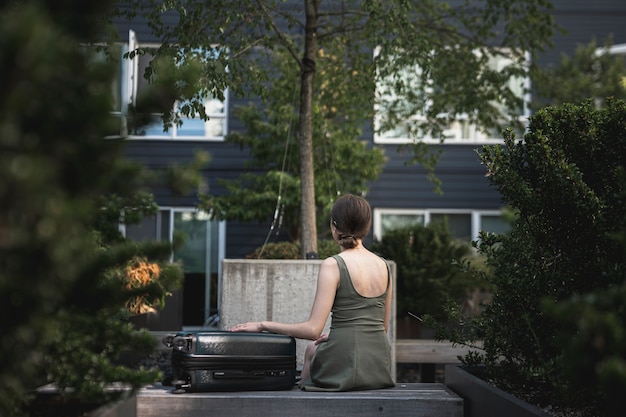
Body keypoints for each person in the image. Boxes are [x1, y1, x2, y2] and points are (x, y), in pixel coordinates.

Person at [229, 194, 395, 391]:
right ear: (366, 228)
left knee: (311, 350)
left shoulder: (333, 265)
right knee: (317, 348)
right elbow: (382, 328)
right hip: (378, 365)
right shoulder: (384, 267)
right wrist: (339, 335)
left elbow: (313, 330)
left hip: (346, 360)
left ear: (334, 226)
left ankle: (301, 405)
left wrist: (262, 325)